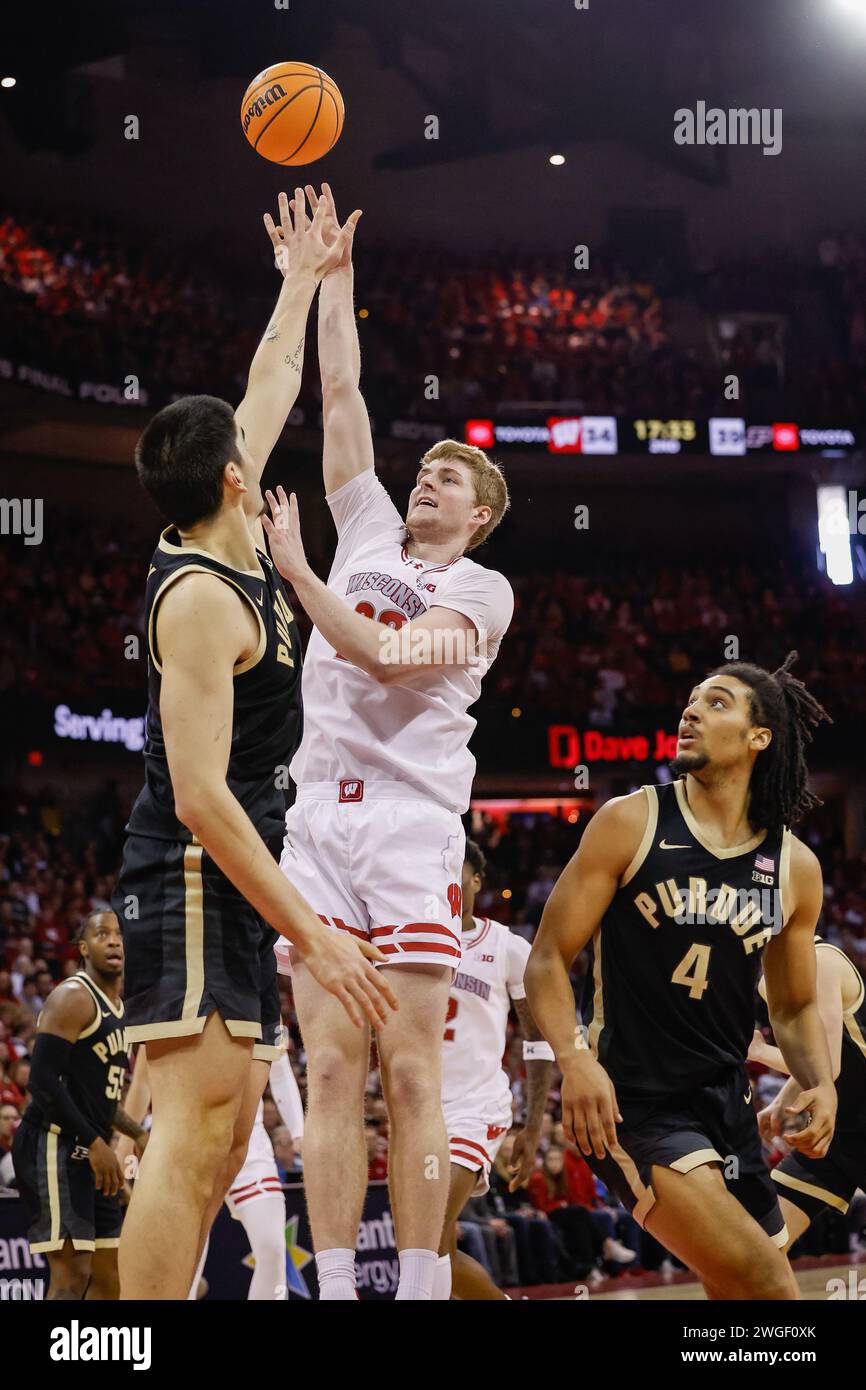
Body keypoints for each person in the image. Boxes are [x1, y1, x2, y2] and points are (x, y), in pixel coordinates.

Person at [112, 191, 397, 1301]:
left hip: (235, 874)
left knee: (227, 1137)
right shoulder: (198, 599)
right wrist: (315, 936)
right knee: (192, 1136)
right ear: (235, 477)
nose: (253, 424)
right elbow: (195, 797)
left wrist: (306, 274)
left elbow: (273, 376)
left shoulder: (223, 519)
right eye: (243, 440)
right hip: (194, 871)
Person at [263, 184, 514, 1300]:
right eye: (425, 467)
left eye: (449, 475)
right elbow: (342, 390)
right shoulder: (366, 523)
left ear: (482, 511)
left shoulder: (483, 588)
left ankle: (414, 1289)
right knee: (327, 1064)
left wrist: (301, 576)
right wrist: (329, 280)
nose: (426, 476)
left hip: (412, 827)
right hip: (315, 816)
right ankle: (328, 1288)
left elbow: (385, 658)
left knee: (407, 1067)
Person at [526, 653, 836, 1300]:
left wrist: (819, 1081)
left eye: (717, 702)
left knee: (737, 1296)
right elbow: (549, 960)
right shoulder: (630, 821)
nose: (691, 710)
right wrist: (574, 1059)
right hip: (631, 1104)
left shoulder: (793, 866)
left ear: (760, 738)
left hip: (728, 1108)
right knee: (771, 1286)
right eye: (692, 700)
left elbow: (796, 1006)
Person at [11, 912, 146, 1299]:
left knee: (109, 1279)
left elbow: (97, 1097)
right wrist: (97, 1143)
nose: (114, 941)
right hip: (52, 1144)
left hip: (91, 1150)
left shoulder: (122, 1009)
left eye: (119, 934)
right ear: (84, 948)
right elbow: (41, 1082)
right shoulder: (73, 997)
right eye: (102, 934)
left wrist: (138, 1133)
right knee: (71, 1276)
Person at [438, 839, 551, 1299]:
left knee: (425, 1239)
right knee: (430, 1250)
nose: (446, 880)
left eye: (457, 871)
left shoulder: (506, 946)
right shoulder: (407, 944)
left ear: (477, 881)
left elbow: (539, 1037)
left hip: (476, 1107)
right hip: (421, 1110)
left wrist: (533, 1123)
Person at [749, 936, 866, 1251]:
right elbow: (808, 1057)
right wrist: (780, 1104)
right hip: (834, 1133)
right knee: (759, 1248)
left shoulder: (821, 962)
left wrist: (760, 1053)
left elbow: (825, 1066)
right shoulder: (768, 978)